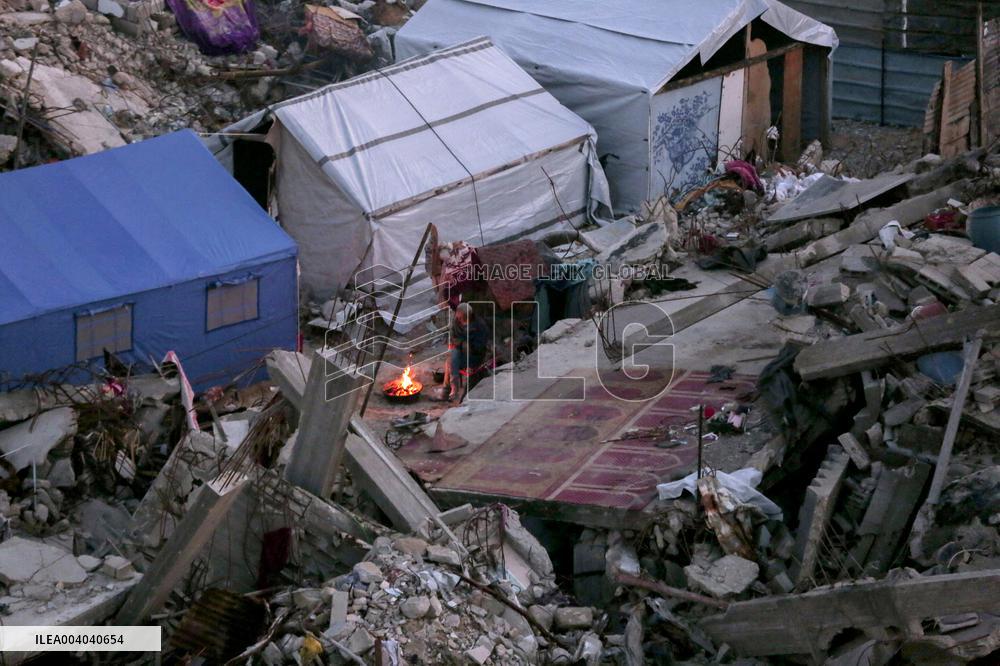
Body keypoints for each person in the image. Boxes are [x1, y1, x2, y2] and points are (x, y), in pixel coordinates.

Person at [443, 303, 490, 401]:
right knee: (450, 361)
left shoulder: (480, 326)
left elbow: (480, 347)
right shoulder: (456, 322)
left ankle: (462, 395)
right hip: (460, 351)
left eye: (461, 317)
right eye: (458, 316)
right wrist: (461, 343)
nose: (458, 319)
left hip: (475, 356)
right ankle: (448, 389)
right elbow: (453, 338)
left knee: (457, 358)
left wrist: (468, 348)